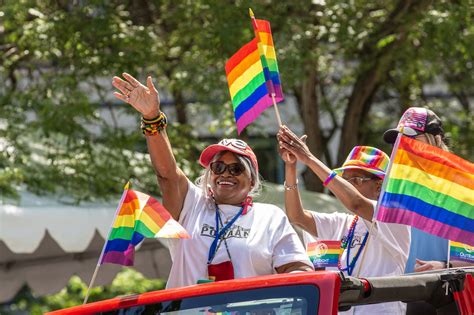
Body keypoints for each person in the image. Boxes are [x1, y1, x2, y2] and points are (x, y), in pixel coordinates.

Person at [112, 73, 313, 288]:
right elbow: (167, 174)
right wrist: (152, 117)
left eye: (236, 168)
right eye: (218, 167)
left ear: (252, 182)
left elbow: (297, 269)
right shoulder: (193, 204)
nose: (225, 173)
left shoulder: (270, 217)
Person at [277, 126, 410, 315]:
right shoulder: (345, 222)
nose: (345, 186)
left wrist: (309, 159)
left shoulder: (394, 217)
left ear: (379, 186)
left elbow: (356, 202)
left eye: (354, 180)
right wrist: (291, 167)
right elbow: (296, 216)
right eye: (344, 180)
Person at [383, 106, 472, 314]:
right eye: (400, 141)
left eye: (413, 139)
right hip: (404, 295)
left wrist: (444, 264)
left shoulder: (462, 185)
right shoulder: (397, 186)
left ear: (436, 140)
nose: (405, 146)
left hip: (452, 294)